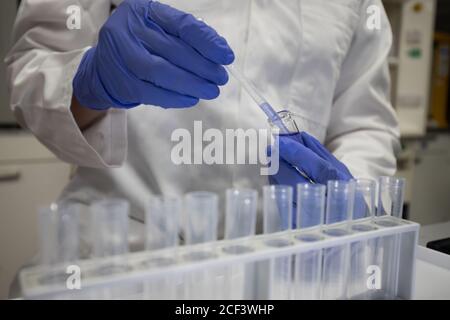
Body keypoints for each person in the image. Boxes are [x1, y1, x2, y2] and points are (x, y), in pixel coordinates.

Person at [6, 0, 400, 247]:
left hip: (284, 263)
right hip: (121, 256)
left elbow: (365, 125)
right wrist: (90, 81)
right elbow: (32, 71)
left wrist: (348, 203)